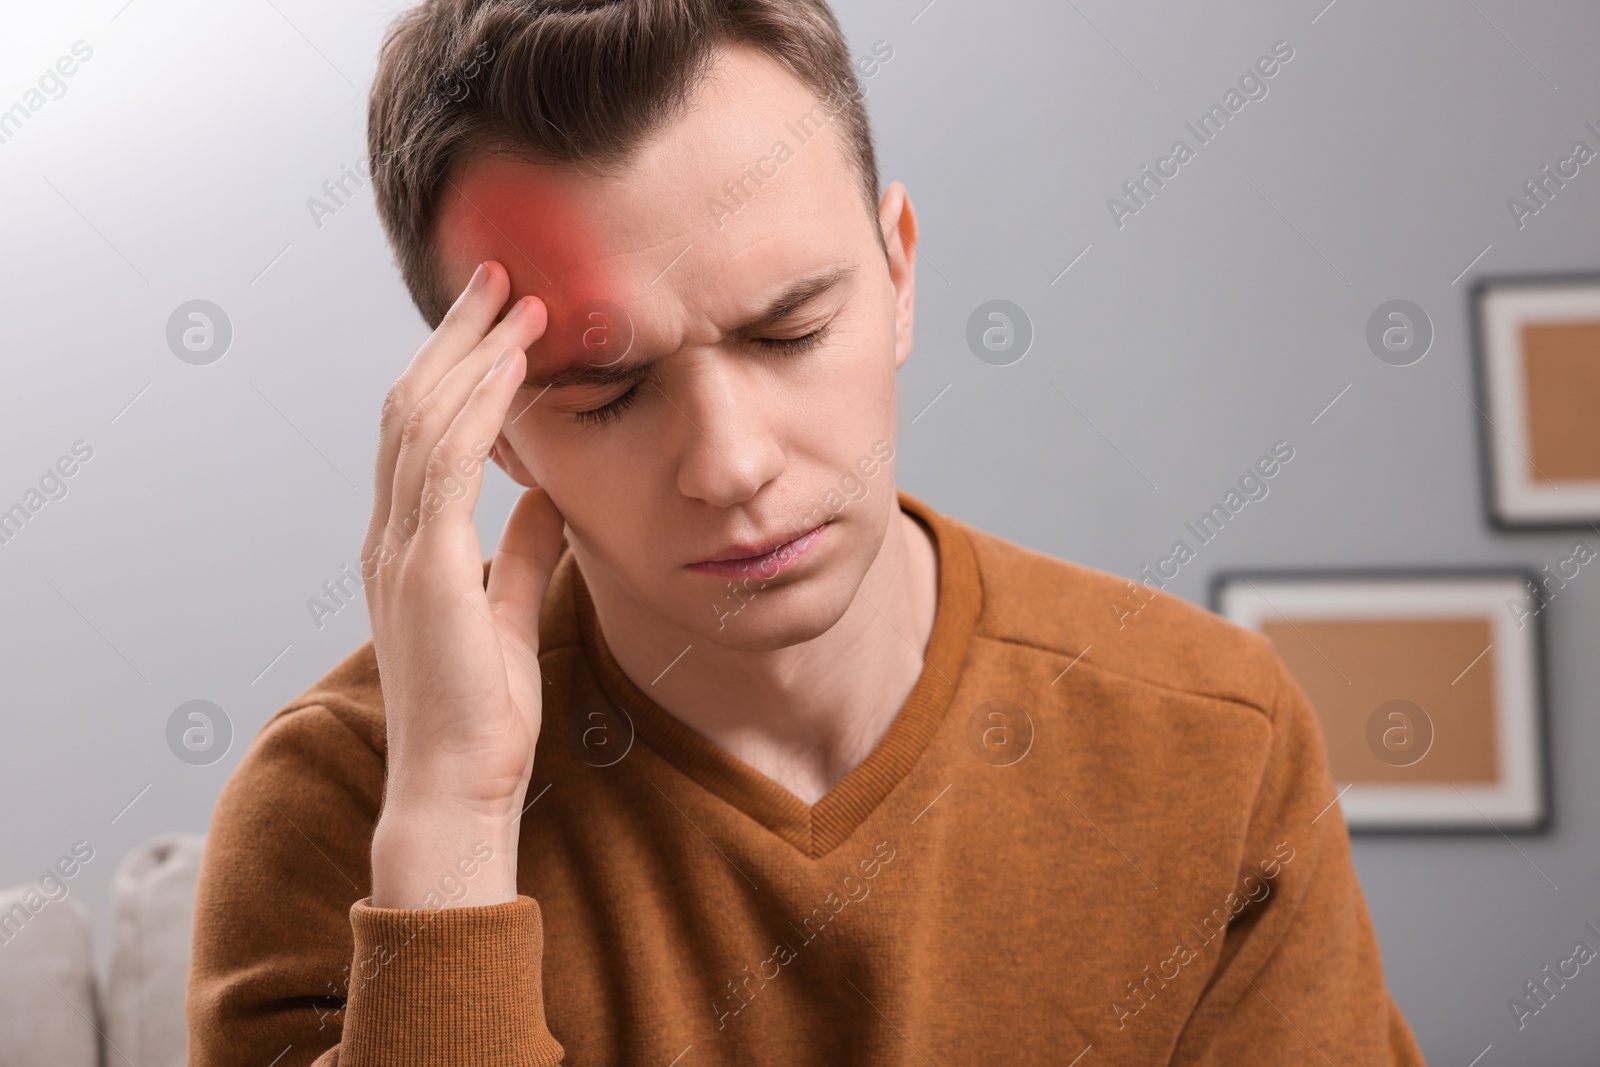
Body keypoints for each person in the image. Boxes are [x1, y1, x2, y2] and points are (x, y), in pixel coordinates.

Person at [186, 0, 1426, 1063]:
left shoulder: (1213, 738)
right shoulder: (337, 807)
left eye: (789, 332)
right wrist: (453, 828)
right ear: (486, 431)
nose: (732, 466)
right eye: (606, 392)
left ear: (897, 272)